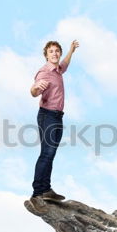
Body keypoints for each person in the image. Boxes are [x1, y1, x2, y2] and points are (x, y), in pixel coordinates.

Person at [28, 39, 79, 214]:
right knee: (46, 153)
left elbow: (65, 64)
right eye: (51, 51)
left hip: (57, 116)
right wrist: (35, 88)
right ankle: (36, 194)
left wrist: (71, 50)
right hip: (47, 116)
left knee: (51, 153)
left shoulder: (58, 70)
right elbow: (34, 91)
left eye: (57, 51)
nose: (55, 54)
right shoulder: (44, 72)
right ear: (46, 55)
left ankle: (46, 189)